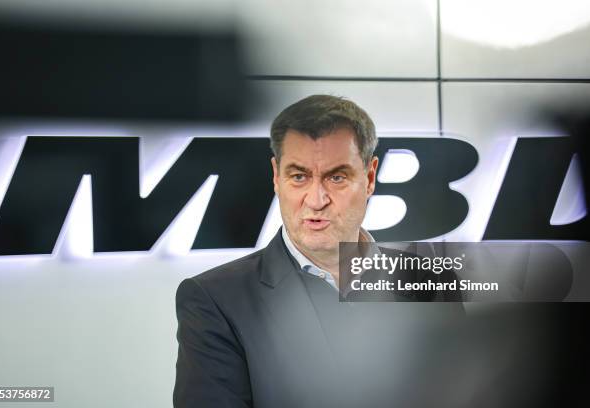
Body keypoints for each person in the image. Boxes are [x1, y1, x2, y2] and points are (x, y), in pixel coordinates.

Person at [173, 95, 461, 408]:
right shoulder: (215, 299)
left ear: (369, 178)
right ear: (276, 177)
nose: (316, 199)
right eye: (299, 177)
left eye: (336, 177)